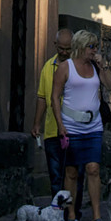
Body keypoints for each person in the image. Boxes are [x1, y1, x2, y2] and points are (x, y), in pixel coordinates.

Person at [52, 29, 111, 221]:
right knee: (71, 172)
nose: (94, 50)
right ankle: (70, 215)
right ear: (81, 47)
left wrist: (103, 67)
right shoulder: (65, 67)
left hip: (93, 126)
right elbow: (54, 97)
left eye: (96, 47)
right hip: (72, 126)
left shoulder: (96, 68)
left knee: (93, 169)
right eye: (91, 46)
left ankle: (97, 217)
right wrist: (60, 124)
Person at [30, 26, 73, 201]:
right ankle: (58, 211)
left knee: (71, 174)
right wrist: (36, 123)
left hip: (72, 129)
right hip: (52, 131)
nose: (64, 52)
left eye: (68, 49)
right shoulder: (48, 67)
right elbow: (42, 97)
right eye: (61, 48)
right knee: (55, 177)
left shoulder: (77, 67)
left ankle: (71, 211)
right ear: (55, 44)